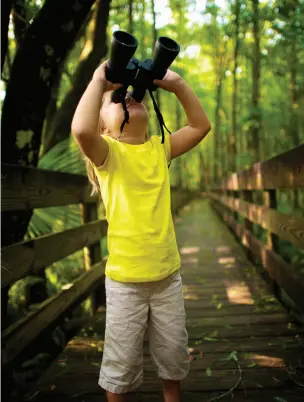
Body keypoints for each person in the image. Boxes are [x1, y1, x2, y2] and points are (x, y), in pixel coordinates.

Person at [71, 59, 211, 402]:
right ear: (104, 128)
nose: (127, 98)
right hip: (125, 284)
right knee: (120, 365)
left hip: (167, 277)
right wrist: (98, 82)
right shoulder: (108, 155)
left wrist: (176, 84)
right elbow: (81, 131)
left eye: (131, 95)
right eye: (116, 102)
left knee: (173, 355)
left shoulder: (159, 148)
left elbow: (200, 125)